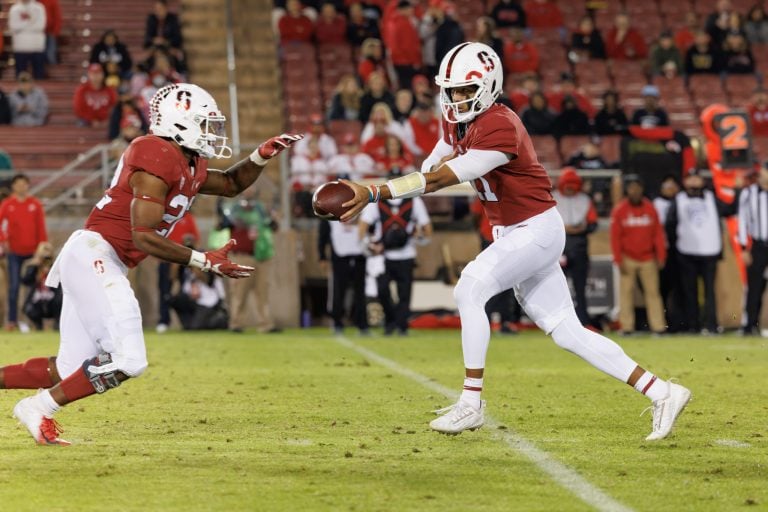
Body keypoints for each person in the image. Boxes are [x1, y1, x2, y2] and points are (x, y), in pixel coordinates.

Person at [337, 42, 691, 440]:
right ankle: (663, 392)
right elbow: (439, 157)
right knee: (566, 331)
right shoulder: (459, 116)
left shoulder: (500, 125)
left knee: (469, 289)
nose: (455, 100)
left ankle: (471, 403)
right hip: (517, 231)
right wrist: (427, 164)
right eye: (450, 91)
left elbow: (439, 179)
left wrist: (373, 192)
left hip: (535, 230)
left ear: (489, 87)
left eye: (463, 91)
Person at [0, 83, 301, 445]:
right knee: (129, 359)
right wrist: (203, 260)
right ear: (179, 123)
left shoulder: (186, 158)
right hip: (97, 252)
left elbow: (231, 183)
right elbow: (142, 235)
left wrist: (260, 157)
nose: (211, 132)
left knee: (68, 369)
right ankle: (39, 408)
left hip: (99, 256)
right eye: (204, 123)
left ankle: (36, 403)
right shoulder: (154, 153)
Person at [665, 169, 739, 334]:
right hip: (686, 252)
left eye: (696, 178)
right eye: (690, 178)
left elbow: (729, 210)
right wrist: (676, 244)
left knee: (710, 291)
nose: (693, 182)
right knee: (689, 291)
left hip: (709, 251)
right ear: (684, 182)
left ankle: (711, 325)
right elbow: (670, 224)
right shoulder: (679, 199)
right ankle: (693, 325)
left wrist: (737, 190)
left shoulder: (711, 197)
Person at [357, 178, 431, 336]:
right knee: (382, 290)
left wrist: (420, 237)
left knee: (404, 293)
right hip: (383, 256)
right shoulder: (377, 201)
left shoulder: (414, 201)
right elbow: (363, 226)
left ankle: (402, 326)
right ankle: (391, 322)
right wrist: (369, 245)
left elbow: (427, 228)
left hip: (406, 254)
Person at [610, 175, 667, 336]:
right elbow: (615, 237)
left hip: (648, 257)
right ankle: (626, 327)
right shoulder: (620, 210)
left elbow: (658, 234)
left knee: (653, 293)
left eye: (637, 187)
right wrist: (618, 259)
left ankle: (658, 327)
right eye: (631, 187)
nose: (634, 191)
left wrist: (661, 255)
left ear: (642, 189)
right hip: (627, 258)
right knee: (625, 294)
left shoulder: (650, 208)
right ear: (627, 190)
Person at [219, 188, 281, 334]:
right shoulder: (233, 210)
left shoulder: (261, 210)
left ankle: (265, 324)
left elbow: (273, 227)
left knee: (262, 292)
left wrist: (273, 219)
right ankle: (236, 323)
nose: (249, 191)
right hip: (241, 255)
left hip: (262, 256)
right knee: (239, 292)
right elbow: (222, 224)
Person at [0, 174, 48, 331]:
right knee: (14, 287)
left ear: (28, 186)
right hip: (14, 252)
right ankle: (12, 320)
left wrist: (41, 250)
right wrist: (3, 240)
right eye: (18, 184)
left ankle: (32, 320)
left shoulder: (35, 204)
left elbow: (41, 228)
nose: (21, 187)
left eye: (24, 184)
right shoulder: (7, 204)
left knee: (34, 288)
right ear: (13, 186)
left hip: (33, 253)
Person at [553, 167, 598, 326]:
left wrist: (580, 229)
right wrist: (569, 229)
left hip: (579, 248)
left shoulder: (584, 200)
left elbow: (593, 224)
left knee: (580, 288)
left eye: (573, 184)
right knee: (557, 287)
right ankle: (557, 321)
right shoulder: (553, 198)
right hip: (559, 249)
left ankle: (582, 321)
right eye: (567, 184)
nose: (570, 187)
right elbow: (547, 224)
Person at [318, 217, 369, 335]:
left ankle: (362, 324)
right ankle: (337, 323)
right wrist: (322, 255)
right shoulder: (330, 212)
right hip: (340, 257)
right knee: (338, 291)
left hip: (359, 256)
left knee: (360, 293)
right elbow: (323, 234)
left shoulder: (362, 207)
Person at [737, 162, 768, 336]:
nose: (762, 174)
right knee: (755, 286)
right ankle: (750, 325)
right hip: (759, 245)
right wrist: (743, 247)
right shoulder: (749, 193)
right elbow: (742, 220)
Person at [20, 241, 62, 331]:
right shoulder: (33, 267)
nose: (46, 260)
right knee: (29, 308)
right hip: (37, 301)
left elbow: (60, 286)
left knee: (60, 301)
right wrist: (35, 270)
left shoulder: (55, 268)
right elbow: (25, 281)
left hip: (52, 301)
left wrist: (50, 272)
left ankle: (57, 324)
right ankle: (38, 325)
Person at [8, 0, 47, 79]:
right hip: (20, 47)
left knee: (39, 75)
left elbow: (40, 26)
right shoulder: (15, 9)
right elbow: (13, 26)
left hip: (37, 47)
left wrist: (22, 27)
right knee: (20, 76)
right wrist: (31, 22)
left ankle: (37, 91)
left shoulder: (39, 8)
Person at [73, 63, 118, 127]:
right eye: (93, 74)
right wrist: (92, 120)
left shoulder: (109, 90)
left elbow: (114, 106)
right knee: (80, 124)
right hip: (86, 121)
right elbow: (78, 108)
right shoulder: (82, 90)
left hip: (106, 121)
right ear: (89, 75)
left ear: (102, 74)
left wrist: (105, 119)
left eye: (98, 73)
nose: (96, 76)